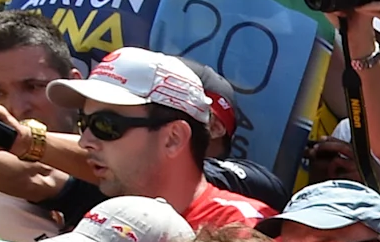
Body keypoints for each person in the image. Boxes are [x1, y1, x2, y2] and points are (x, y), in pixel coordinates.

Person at [49, 47, 268, 231]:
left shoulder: (243, 230)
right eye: (84, 122)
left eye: (105, 125)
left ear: (173, 138)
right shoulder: (100, 221)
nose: (84, 141)